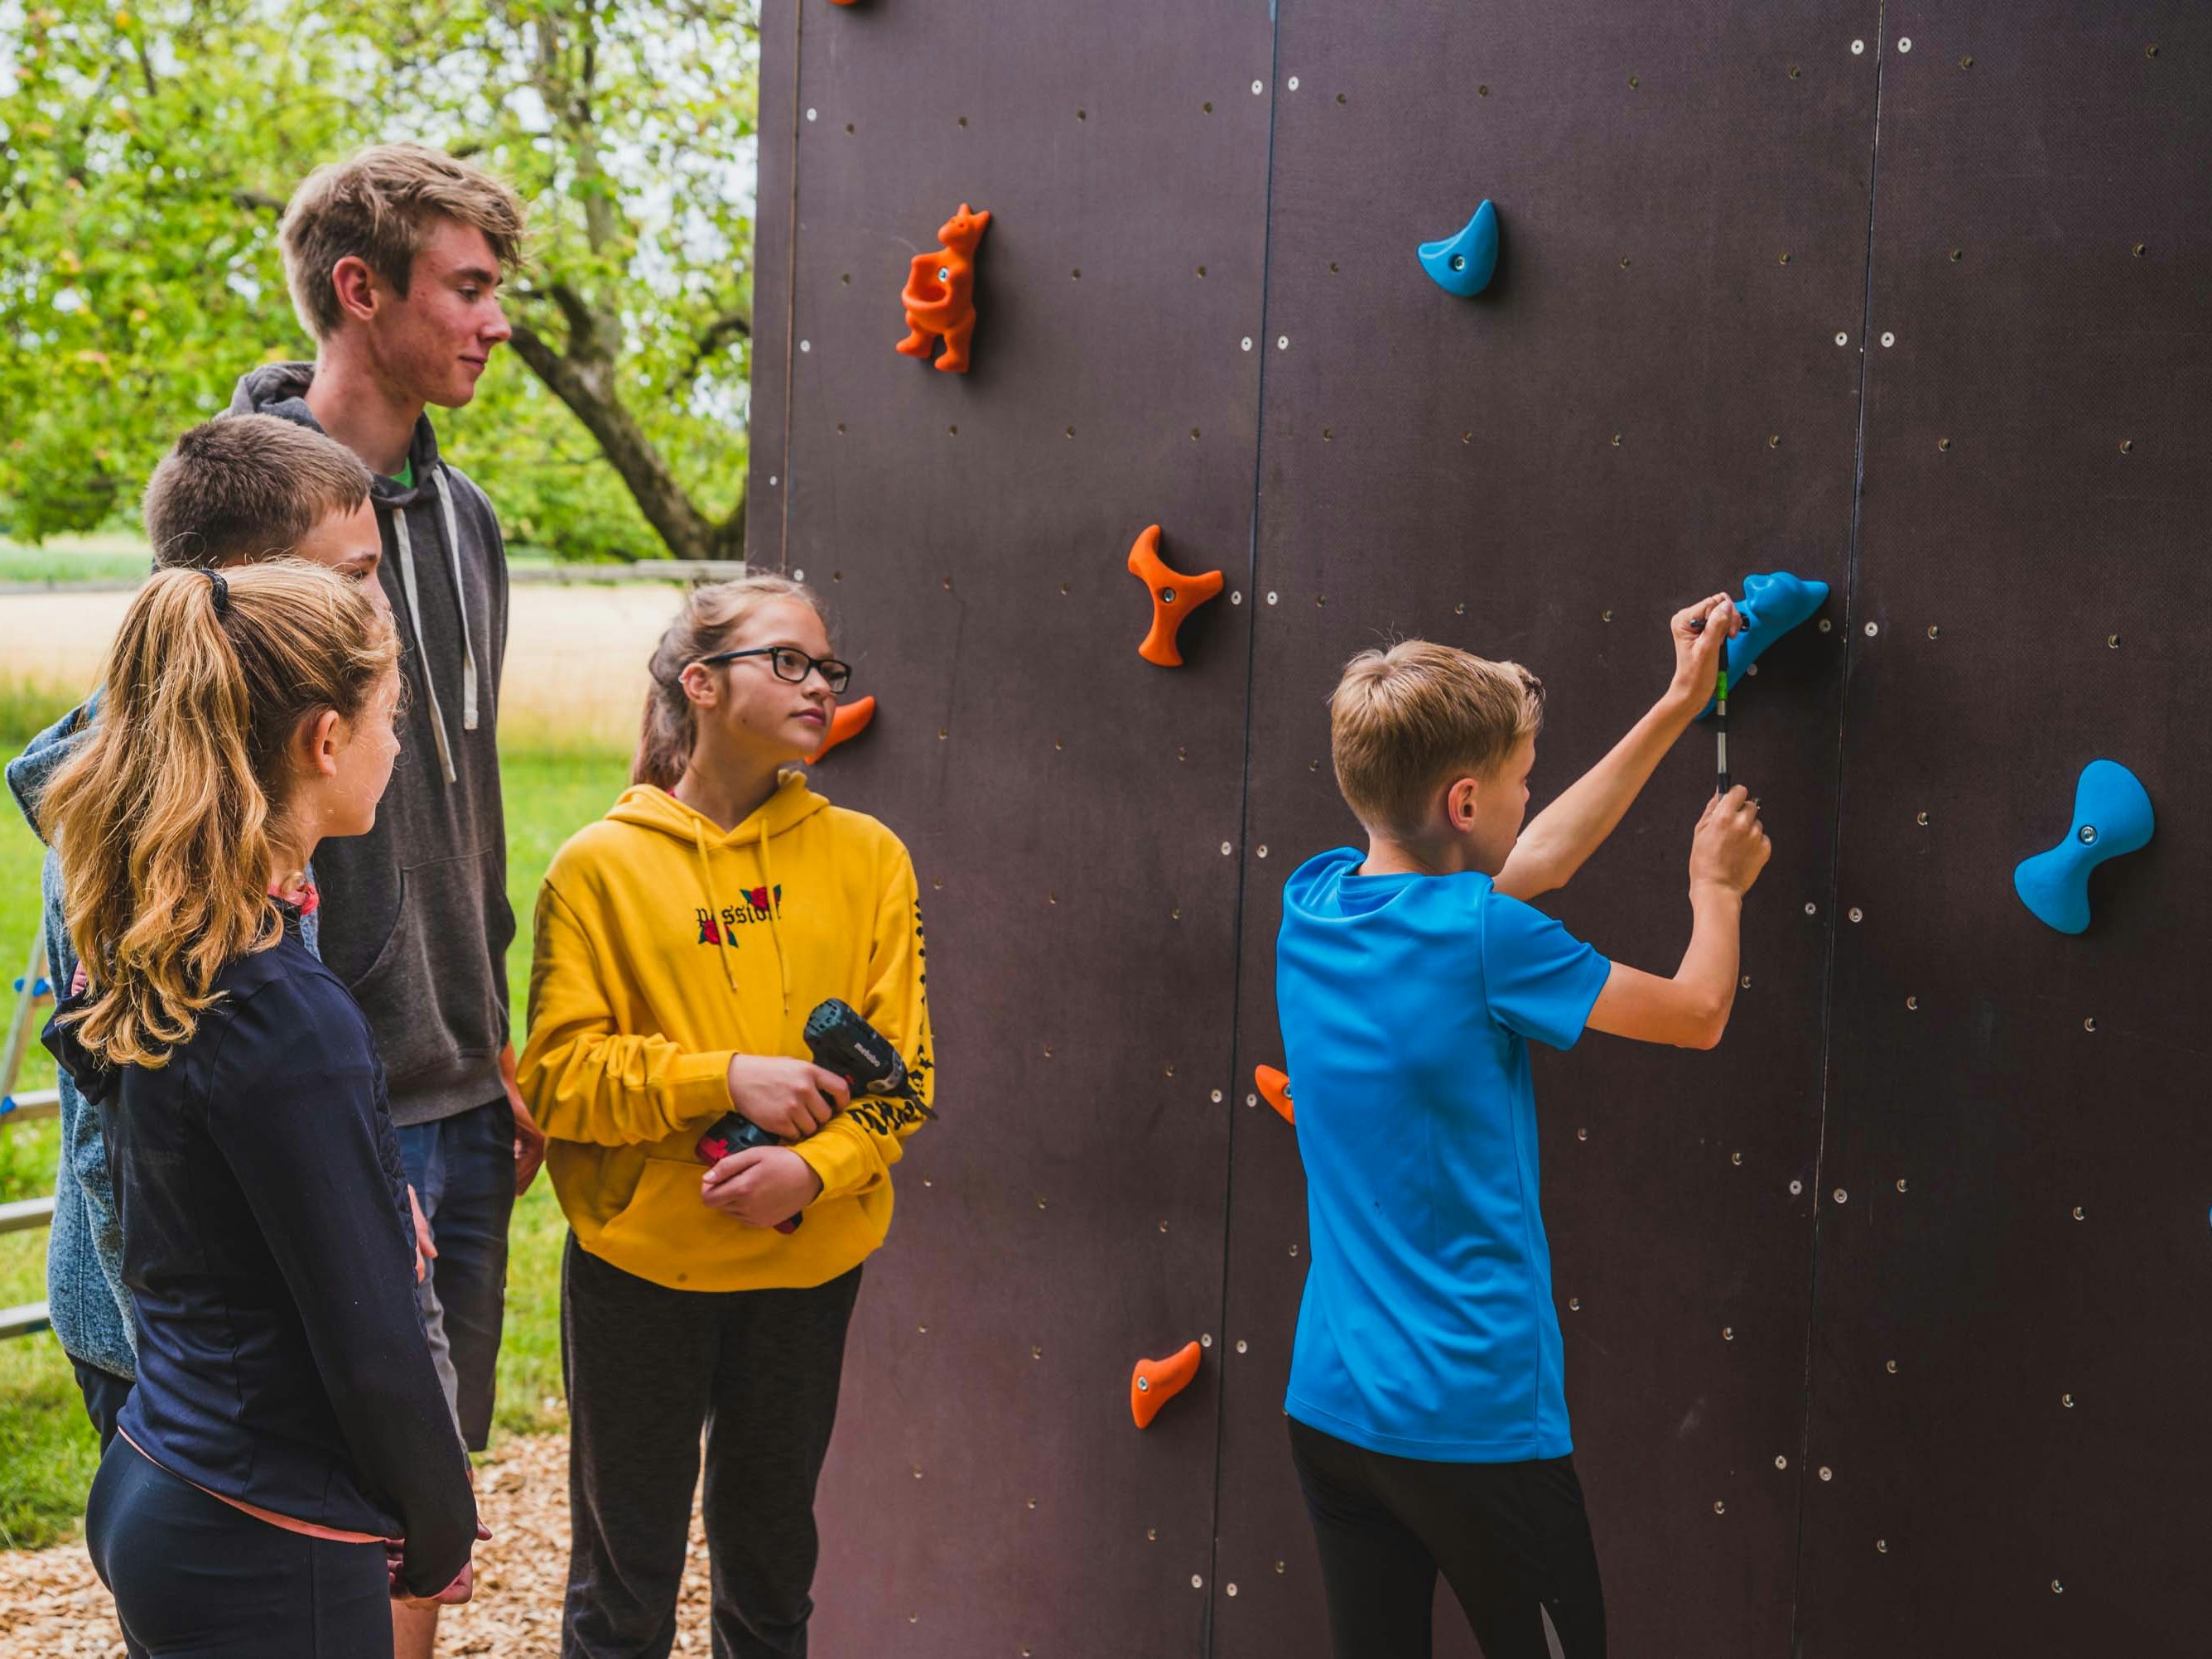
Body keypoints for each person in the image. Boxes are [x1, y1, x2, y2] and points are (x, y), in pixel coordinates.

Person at [1274, 599, 1772, 1659]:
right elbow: (1697, 1012)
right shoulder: (1483, 937)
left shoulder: (1313, 902)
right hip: (1470, 1424)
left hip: (1332, 1410)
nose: (1530, 795)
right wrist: (1714, 887)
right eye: (1520, 777)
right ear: (1464, 799)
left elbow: (1531, 854)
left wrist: (1679, 702)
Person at [39, 561, 480, 1657]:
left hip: (164, 1466)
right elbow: (370, 1336)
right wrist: (439, 1525)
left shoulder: (162, 944)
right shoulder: (283, 1009)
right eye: (389, 717)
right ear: (325, 738)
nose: (397, 745)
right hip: (263, 1534)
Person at [229, 142, 545, 1657]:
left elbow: (463, 797)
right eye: (468, 288)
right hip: (323, 1080)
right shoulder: (243, 515)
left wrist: (491, 1037)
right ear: (360, 288)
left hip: (463, 1084)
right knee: (327, 1488)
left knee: (431, 1491)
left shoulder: (468, 518)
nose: (497, 321)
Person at [518, 576, 935, 1659]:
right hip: (638, 1271)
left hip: (805, 1268)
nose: (819, 684)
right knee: (622, 1592)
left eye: (827, 667)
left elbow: (906, 1079)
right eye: (786, 661)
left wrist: (816, 1168)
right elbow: (557, 1078)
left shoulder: (870, 858)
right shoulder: (598, 867)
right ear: (700, 684)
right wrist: (723, 1077)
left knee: (770, 1582)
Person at [5, 414, 390, 1466]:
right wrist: (184, 1384)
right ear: (243, 588)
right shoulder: (135, 825)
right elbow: (114, 1140)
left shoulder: (244, 780)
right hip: (170, 1355)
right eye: (353, 577)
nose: (378, 607)